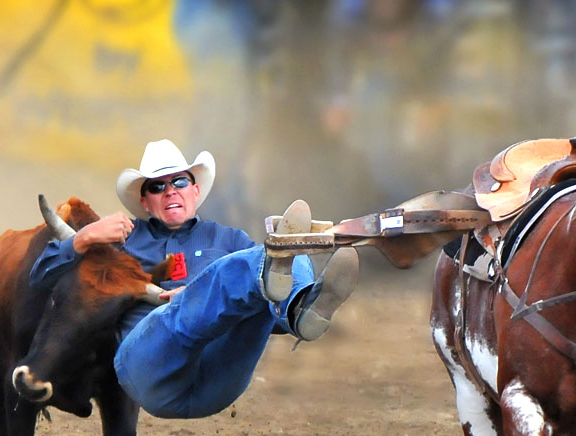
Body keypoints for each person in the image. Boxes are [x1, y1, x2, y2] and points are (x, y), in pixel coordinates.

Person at [29, 138, 358, 419]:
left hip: (219, 376)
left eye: (179, 182)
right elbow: (40, 277)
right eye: (157, 186)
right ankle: (277, 283)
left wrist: (272, 292)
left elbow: (266, 311)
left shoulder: (229, 240)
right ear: (144, 202)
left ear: (195, 190)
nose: (170, 191)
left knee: (279, 254)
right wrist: (85, 237)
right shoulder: (120, 241)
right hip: (149, 372)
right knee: (250, 265)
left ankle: (300, 309)